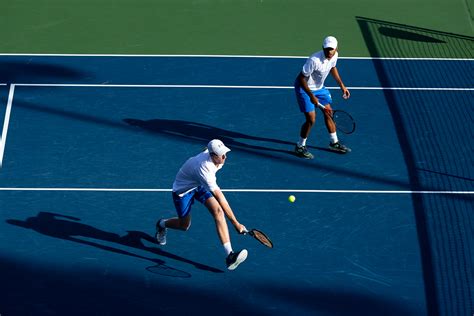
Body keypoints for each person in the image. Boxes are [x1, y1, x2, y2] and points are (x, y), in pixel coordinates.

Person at [155, 139, 248, 270]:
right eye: (221, 154)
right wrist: (236, 223)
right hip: (183, 191)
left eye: (225, 153)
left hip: (198, 183)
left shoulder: (212, 155)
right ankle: (161, 224)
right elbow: (221, 198)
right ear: (213, 155)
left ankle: (230, 255)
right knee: (184, 225)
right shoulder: (205, 170)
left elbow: (205, 148)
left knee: (218, 211)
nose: (225, 156)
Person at [294, 36, 351, 159]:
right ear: (323, 48)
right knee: (311, 119)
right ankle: (300, 146)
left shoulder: (334, 56)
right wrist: (311, 96)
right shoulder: (314, 60)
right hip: (304, 88)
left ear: (336, 49)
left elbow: (332, 67)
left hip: (319, 88)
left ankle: (334, 143)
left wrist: (342, 86)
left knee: (329, 112)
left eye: (331, 49)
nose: (329, 52)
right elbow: (301, 78)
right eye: (327, 49)